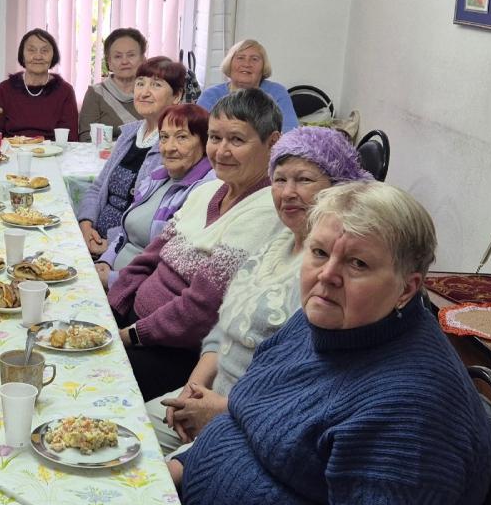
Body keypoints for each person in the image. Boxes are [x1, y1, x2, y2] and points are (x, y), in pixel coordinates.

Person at [170, 181, 491, 505]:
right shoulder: (323, 321)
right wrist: (168, 476)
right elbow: (241, 422)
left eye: (357, 264)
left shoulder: (413, 411)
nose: (327, 275)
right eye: (319, 253)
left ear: (407, 289)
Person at [151, 127, 370, 452]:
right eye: (279, 180)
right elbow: (223, 329)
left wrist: (220, 410)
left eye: (304, 180)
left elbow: (306, 384)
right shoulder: (275, 240)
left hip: (254, 425)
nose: (288, 192)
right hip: (208, 397)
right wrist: (192, 388)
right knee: (117, 426)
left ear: (338, 188)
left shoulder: (329, 275)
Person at [108, 88, 287, 399]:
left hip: (174, 351)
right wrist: (113, 308)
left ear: (272, 143)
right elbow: (149, 258)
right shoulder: (207, 190)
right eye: (215, 138)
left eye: (237, 140)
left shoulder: (265, 210)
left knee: (89, 376)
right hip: (135, 323)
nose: (221, 151)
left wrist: (129, 335)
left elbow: (201, 309)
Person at [94, 103, 212, 288]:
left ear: (205, 143)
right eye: (164, 137)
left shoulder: (203, 191)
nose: (169, 147)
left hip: (135, 291)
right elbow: (125, 232)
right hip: (114, 277)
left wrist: (113, 279)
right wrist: (106, 261)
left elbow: (170, 268)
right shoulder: (157, 177)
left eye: (182, 137)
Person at [78, 56, 186, 257]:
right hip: (94, 237)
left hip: (128, 250)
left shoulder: (175, 146)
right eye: (140, 83)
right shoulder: (129, 134)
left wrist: (111, 242)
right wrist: (85, 225)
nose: (144, 92)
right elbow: (98, 187)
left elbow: (154, 217)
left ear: (177, 95)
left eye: (156, 85)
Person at [0, 28, 78, 140]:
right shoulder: (5, 89)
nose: (38, 56)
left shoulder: (65, 91)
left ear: (53, 55)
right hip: (12, 149)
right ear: (22, 55)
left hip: (53, 150)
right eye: (31, 50)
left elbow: (70, 138)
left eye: (44, 51)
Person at [197, 39, 297, 131]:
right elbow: (198, 134)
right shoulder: (210, 95)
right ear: (229, 64)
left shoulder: (277, 92)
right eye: (240, 58)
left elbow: (290, 132)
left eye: (254, 59)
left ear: (263, 67)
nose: (246, 64)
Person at [78, 28, 147, 140]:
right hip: (104, 152)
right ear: (109, 63)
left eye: (131, 55)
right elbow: (87, 138)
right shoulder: (96, 93)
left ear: (143, 59)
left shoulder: (153, 92)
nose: (124, 61)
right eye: (118, 56)